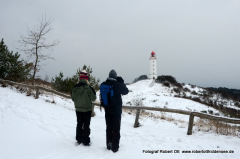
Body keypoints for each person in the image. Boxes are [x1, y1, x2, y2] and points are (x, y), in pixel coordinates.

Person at [101, 69, 129, 152]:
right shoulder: (116, 84)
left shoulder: (104, 84)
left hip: (107, 110)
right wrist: (121, 82)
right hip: (116, 111)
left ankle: (108, 144)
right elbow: (126, 91)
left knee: (109, 128)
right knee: (116, 129)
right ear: (115, 76)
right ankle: (114, 147)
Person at [71, 70, 96, 146]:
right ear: (86, 79)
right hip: (87, 109)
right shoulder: (88, 88)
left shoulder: (75, 88)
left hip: (78, 109)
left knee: (79, 124)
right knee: (86, 125)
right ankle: (85, 140)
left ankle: (79, 139)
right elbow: (93, 98)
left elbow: (73, 98)